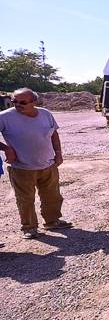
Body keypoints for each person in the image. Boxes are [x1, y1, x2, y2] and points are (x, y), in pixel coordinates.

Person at [0, 88, 72, 239]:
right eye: (14, 102)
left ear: (34, 102)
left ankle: (52, 221)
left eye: (22, 102)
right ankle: (29, 228)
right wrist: (6, 148)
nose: (17, 105)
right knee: (25, 199)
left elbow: (54, 134)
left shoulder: (45, 114)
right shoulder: (4, 117)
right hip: (22, 167)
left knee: (52, 196)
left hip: (48, 165)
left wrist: (58, 153)